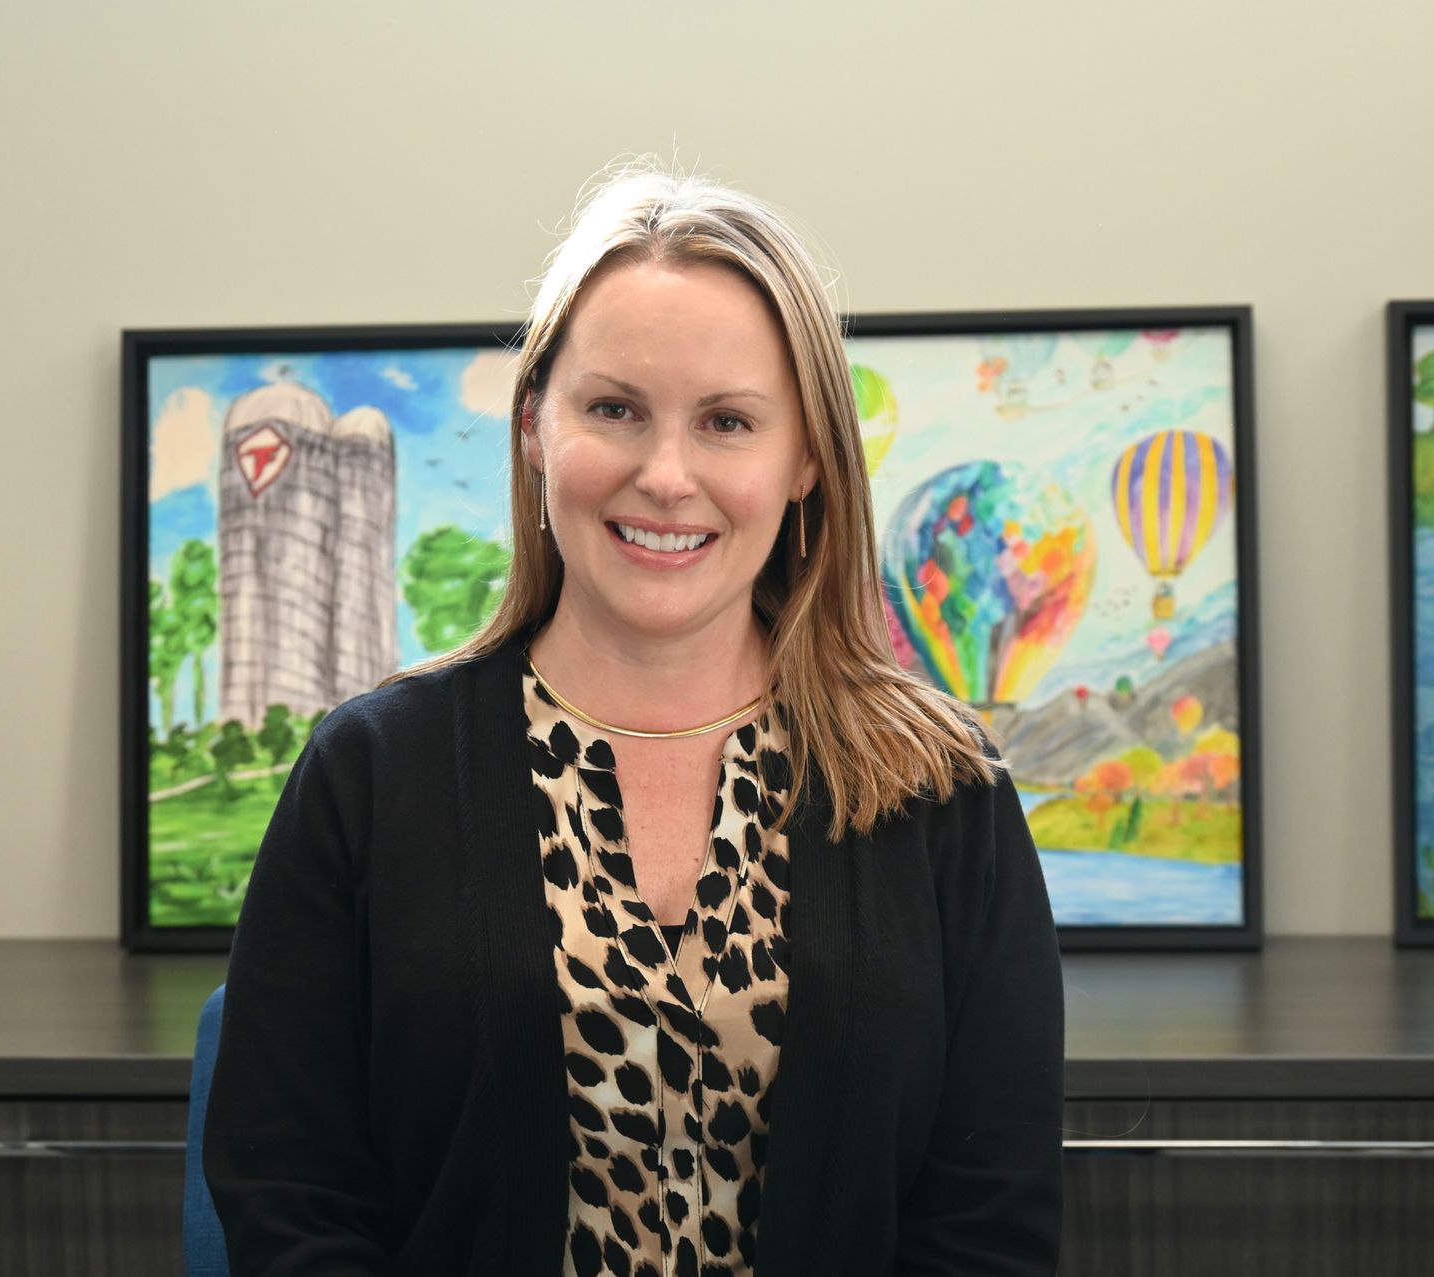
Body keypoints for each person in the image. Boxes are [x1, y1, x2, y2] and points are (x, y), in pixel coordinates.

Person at [203, 161, 1065, 1276]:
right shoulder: (369, 773)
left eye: (727, 422)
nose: (666, 474)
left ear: (805, 459)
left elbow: (990, 1220)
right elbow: (289, 1194)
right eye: (614, 409)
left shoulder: (943, 785)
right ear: (533, 427)